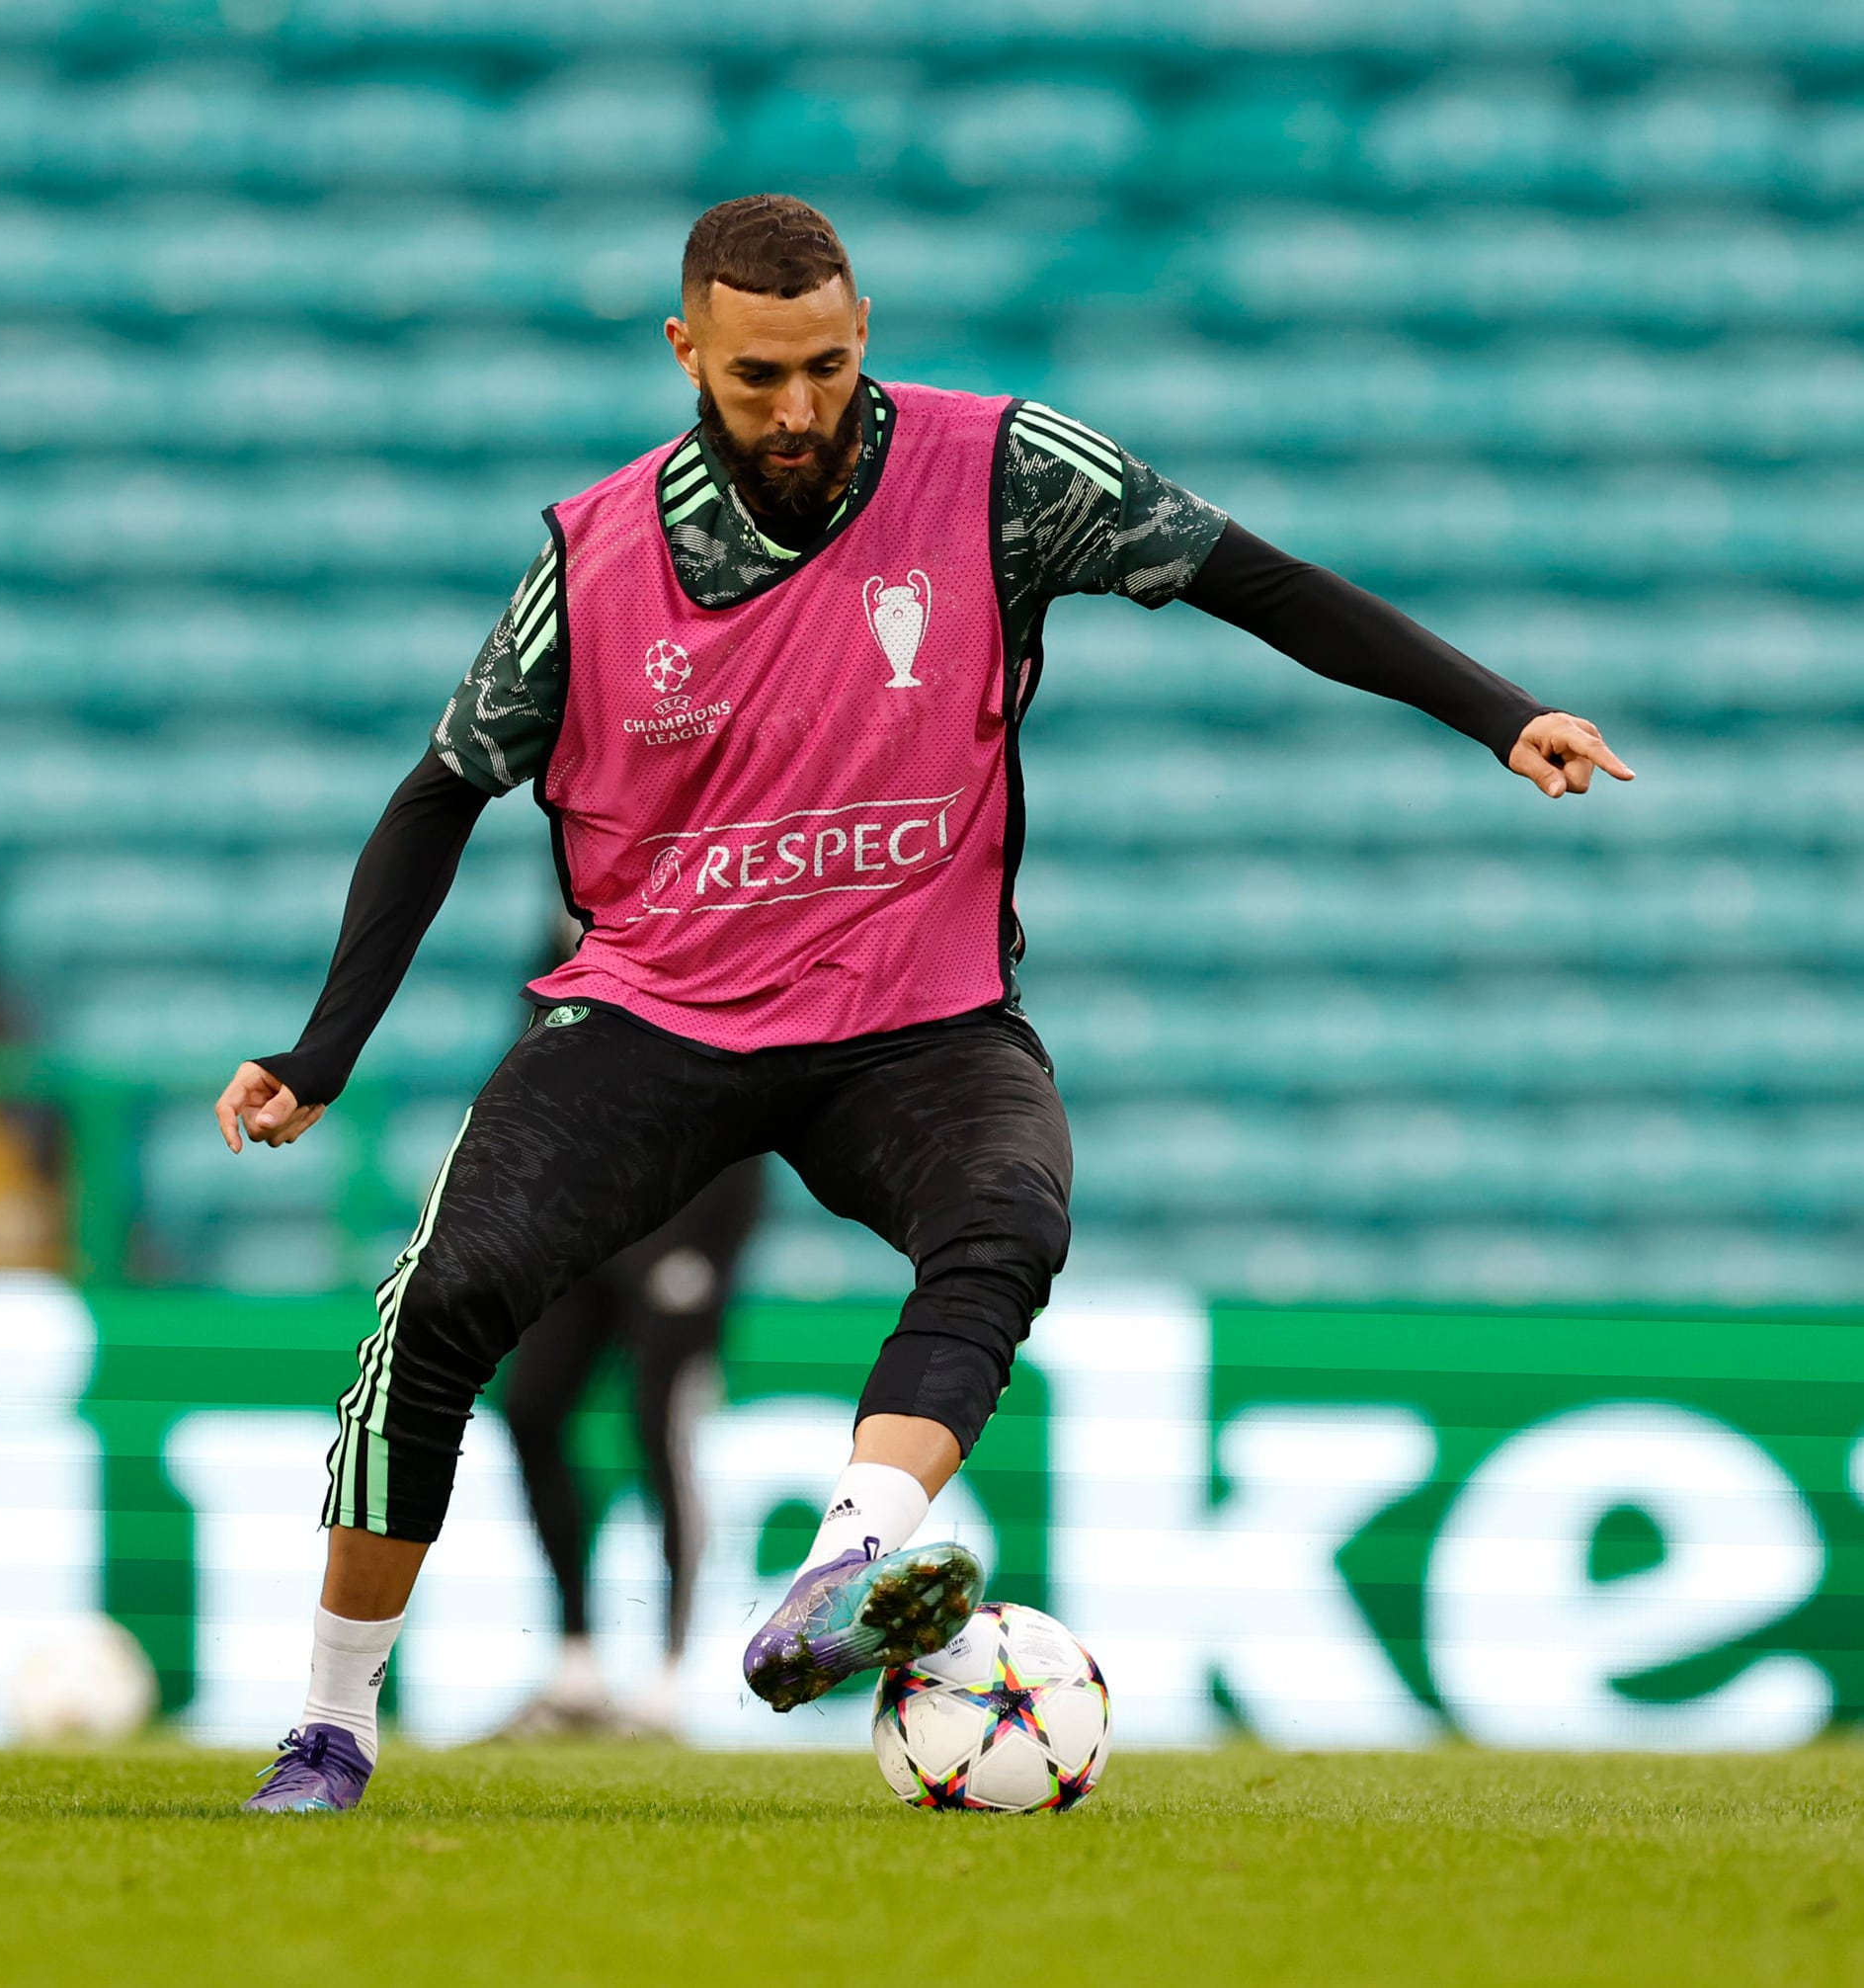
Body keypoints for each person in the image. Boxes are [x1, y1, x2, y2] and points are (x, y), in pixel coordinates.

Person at [215, 195, 1631, 1813]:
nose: (798, 408)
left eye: (823, 364)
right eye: (756, 378)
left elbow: (1255, 579)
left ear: (862, 327)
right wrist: (318, 1051)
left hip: (914, 1012)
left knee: (1007, 1216)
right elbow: (436, 791)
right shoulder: (595, 552)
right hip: (655, 1016)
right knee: (437, 1302)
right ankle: (330, 1720)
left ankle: (842, 1566)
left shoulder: (1002, 471)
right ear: (685, 351)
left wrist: (1494, 712)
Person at [496, 1157, 762, 1739]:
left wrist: (713, 1249)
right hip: (583, 1238)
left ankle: (669, 1679)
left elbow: (756, 1115)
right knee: (530, 1410)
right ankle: (577, 1670)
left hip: (678, 1238)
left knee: (662, 1436)